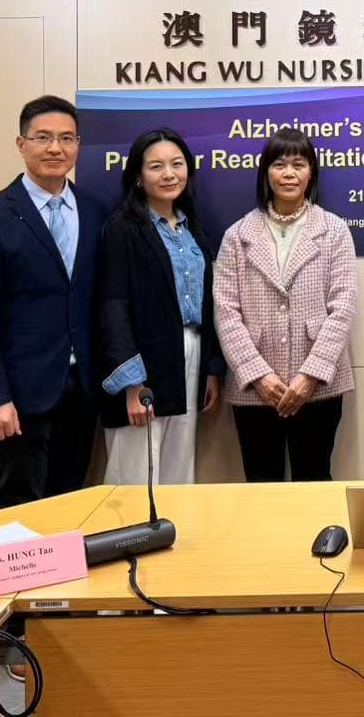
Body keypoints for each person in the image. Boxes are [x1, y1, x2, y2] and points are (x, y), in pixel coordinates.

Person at [0, 96, 105, 507]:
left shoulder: (95, 212)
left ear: (78, 145)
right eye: (43, 138)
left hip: (81, 390)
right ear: (22, 144)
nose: (55, 148)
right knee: (19, 508)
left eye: (66, 138)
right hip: (19, 396)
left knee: (70, 501)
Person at [213, 129, 356, 482]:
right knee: (261, 483)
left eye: (299, 164)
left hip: (319, 387)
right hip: (254, 390)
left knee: (314, 478)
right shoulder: (237, 235)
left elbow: (344, 306)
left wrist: (310, 375)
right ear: (266, 173)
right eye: (279, 164)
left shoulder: (334, 230)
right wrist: (258, 375)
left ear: (312, 173)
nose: (289, 173)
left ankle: (319, 540)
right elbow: (225, 311)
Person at [96, 128, 226, 485]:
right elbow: (112, 306)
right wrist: (131, 383)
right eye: (156, 166)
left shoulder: (190, 228)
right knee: (135, 475)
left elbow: (207, 302)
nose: (169, 174)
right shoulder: (122, 229)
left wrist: (211, 368)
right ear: (137, 175)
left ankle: (172, 538)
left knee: (177, 469)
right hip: (143, 363)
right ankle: (130, 542)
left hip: (189, 353)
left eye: (177, 164)